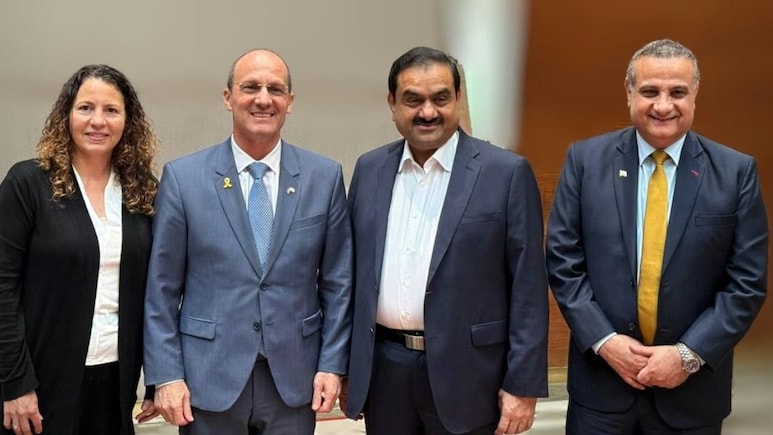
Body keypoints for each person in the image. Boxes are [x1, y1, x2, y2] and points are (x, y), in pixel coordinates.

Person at [546, 39, 769, 434]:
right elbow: (563, 261)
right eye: (650, 91)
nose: (663, 106)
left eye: (677, 92)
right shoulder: (585, 161)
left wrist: (687, 356)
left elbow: (746, 283)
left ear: (695, 94)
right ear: (629, 92)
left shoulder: (736, 173)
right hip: (601, 393)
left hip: (691, 396)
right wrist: (605, 341)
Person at [143, 48, 353, 435]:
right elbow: (161, 289)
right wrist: (166, 375)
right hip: (207, 376)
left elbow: (338, 284)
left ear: (290, 101)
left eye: (275, 89)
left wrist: (332, 364)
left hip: (295, 379)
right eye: (250, 87)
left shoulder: (323, 178)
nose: (263, 99)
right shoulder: (184, 179)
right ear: (228, 97)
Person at [343, 46, 549, 435]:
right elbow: (351, 276)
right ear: (392, 103)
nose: (428, 112)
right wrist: (347, 368)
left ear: (457, 99)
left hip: (471, 375)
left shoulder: (505, 173)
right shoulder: (369, 169)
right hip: (385, 372)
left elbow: (529, 288)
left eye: (440, 98)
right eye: (413, 100)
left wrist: (523, 384)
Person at [0, 64, 160, 434]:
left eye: (111, 110)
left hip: (115, 381)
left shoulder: (143, 192)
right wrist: (15, 382)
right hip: (39, 383)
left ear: (128, 121)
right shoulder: (28, 184)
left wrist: (156, 377)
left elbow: (156, 290)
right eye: (86, 108)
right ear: (66, 115)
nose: (97, 121)